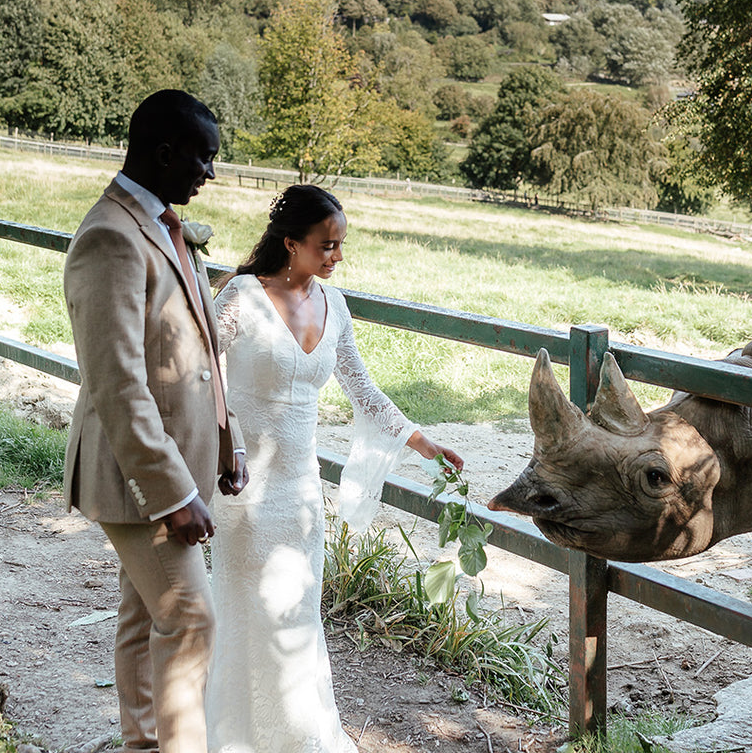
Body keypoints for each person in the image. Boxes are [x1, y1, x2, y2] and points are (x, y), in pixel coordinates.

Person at [206, 184, 463, 753]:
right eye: (326, 245)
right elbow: (206, 378)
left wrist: (422, 442)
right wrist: (230, 447)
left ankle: (299, 737)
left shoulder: (334, 306)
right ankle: (238, 737)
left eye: (340, 245)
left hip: (301, 495)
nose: (336, 257)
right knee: (258, 616)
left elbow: (361, 388)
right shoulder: (240, 299)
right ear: (291, 242)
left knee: (298, 613)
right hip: (244, 486)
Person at [63, 90, 248, 753]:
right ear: (164, 151)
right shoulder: (109, 237)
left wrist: (231, 444)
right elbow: (118, 386)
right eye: (203, 156)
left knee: (147, 620)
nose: (210, 172)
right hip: (139, 476)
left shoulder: (165, 227)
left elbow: (197, 348)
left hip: (183, 462)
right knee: (191, 619)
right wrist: (174, 495)